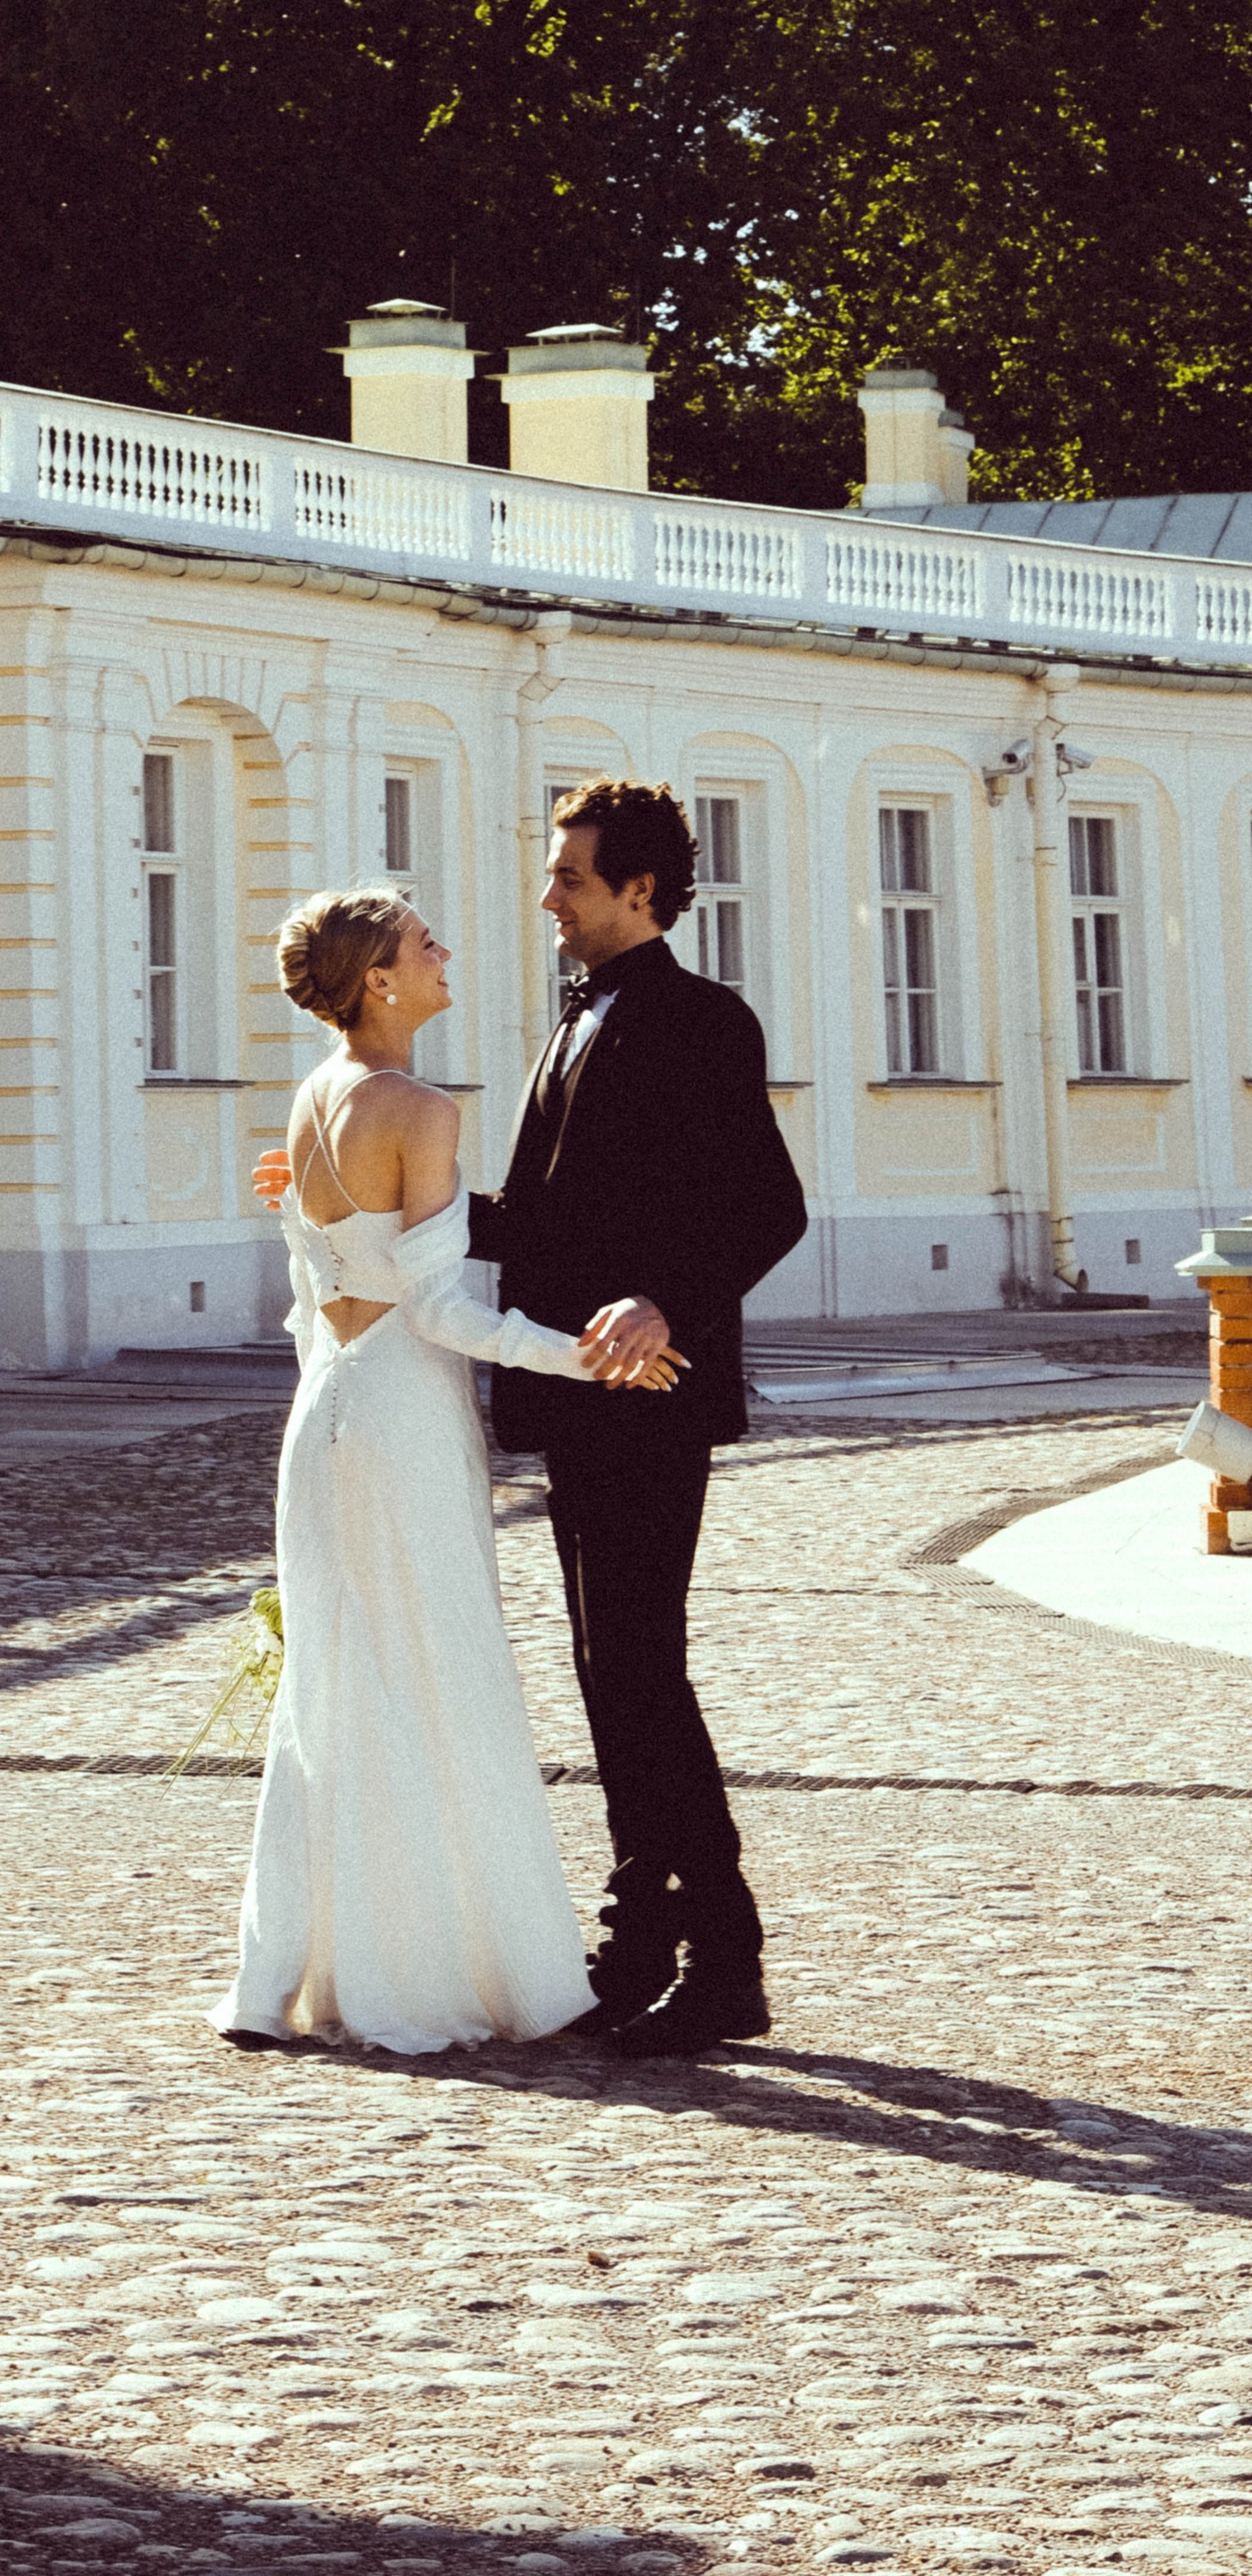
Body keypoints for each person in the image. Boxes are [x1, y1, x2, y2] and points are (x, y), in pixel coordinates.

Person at [260, 784, 807, 2060]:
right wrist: (363, 1212)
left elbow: (768, 1207)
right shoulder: (576, 1021)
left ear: (639, 892)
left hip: (645, 1389)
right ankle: (638, 1941)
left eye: (569, 878)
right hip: (577, 1391)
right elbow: (558, 1217)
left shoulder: (701, 1020)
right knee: (610, 1670)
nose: (546, 898)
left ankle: (723, 1958)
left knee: (643, 1669)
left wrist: (665, 1301)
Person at [214, 886, 684, 2058]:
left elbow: (311, 1301)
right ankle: (437, 1973)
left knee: (341, 1684)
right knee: (441, 1672)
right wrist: (590, 1362)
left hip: (326, 1414)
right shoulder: (418, 1108)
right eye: (425, 943)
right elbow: (437, 1312)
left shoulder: (315, 1098)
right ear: (379, 977)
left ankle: (305, 1970)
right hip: (404, 1418)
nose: (445, 951)